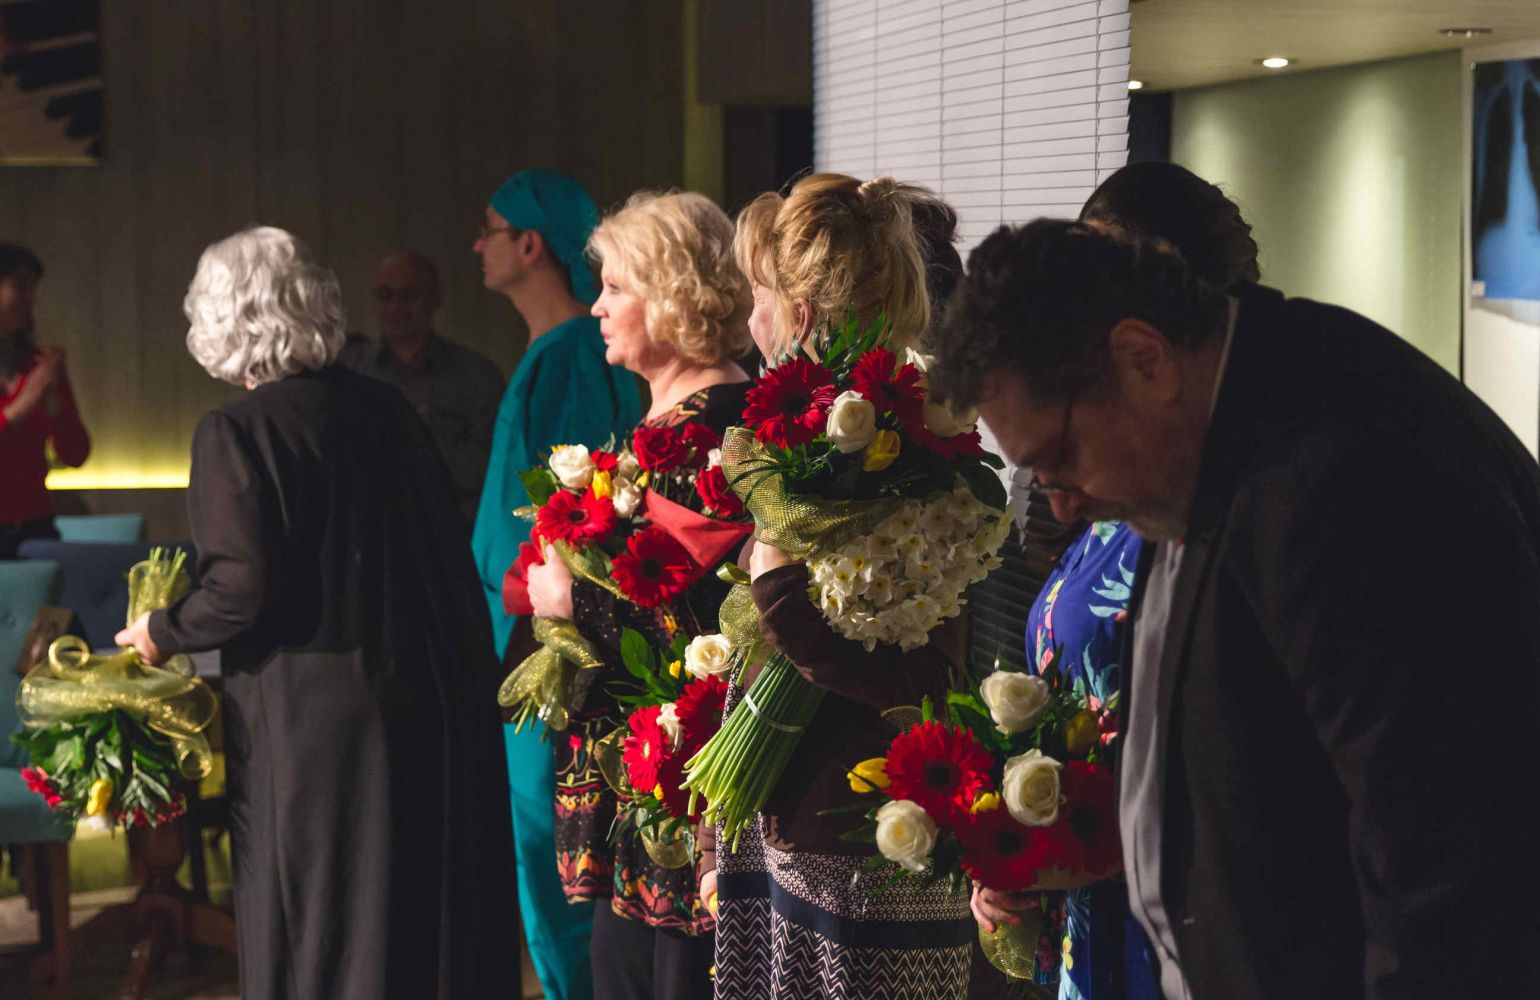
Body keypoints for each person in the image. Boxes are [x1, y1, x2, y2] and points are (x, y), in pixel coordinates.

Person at [928, 217, 1540, 1000]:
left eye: (1058, 459)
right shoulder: (1204, 433)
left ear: (1144, 360)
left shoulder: (1344, 471)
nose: (1062, 504)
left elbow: (1445, 868)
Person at [114, 226, 517, 1000]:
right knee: (412, 923)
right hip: (424, 696)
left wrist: (161, 632)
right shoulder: (385, 407)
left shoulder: (238, 429)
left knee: (324, 933)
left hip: (317, 726)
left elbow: (240, 589)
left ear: (220, 319)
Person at [971, 162, 1261, 1000]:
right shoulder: (1112, 488)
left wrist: (1091, 848)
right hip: (1094, 917)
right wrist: (1017, 842)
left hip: (1191, 933)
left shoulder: (1232, 507)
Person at [703, 173, 975, 999]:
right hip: (793, 826)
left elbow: (922, 680)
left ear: (798, 315)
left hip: (860, 849)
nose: (748, 322)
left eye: (758, 299)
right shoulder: (811, 445)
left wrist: (782, 597)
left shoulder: (917, 458)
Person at [523, 190, 753, 1000]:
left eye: (616, 287)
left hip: (684, 803)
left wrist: (569, 604)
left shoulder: (705, 437)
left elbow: (704, 631)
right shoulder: (682, 424)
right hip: (657, 797)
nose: (597, 306)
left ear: (672, 297)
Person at [471, 169, 643, 1000]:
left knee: (556, 855)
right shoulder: (551, 353)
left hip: (545, 650)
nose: (478, 244)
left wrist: (532, 645)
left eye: (490, 228)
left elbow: (574, 520)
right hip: (523, 640)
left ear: (530, 244)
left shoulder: (572, 355)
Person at [338, 250, 504, 520]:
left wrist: (411, 440)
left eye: (409, 295)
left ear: (435, 299)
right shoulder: (349, 370)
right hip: (370, 526)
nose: (395, 306)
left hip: (450, 527)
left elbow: (488, 467)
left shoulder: (477, 376)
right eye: (385, 294)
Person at [0, 243, 89, 559]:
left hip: (35, 529)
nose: (30, 298)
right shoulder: (35, 381)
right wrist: (21, 406)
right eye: (20, 285)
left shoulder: (41, 365)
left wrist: (54, 406)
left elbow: (76, 454)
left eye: (33, 288)